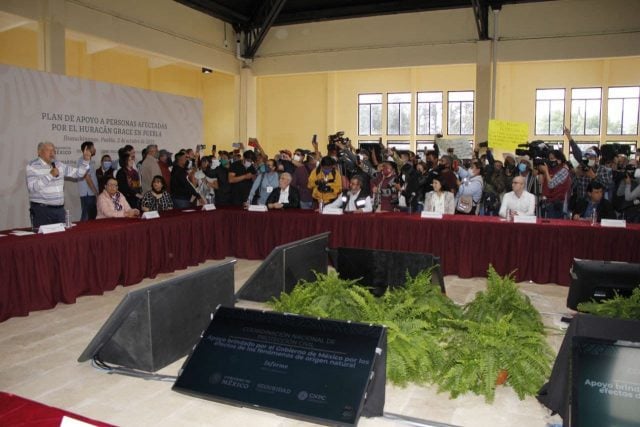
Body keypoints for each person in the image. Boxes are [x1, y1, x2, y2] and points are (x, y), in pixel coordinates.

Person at [26, 141, 93, 228]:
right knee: (44, 240)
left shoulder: (58, 165)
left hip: (59, 210)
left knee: (61, 239)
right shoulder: (32, 166)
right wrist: (50, 175)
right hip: (42, 211)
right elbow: (32, 188)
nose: (52, 153)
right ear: (39, 152)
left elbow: (78, 174)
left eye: (53, 150)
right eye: (48, 150)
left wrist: (86, 161)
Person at [538, 150, 571, 219]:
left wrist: (546, 171)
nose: (550, 161)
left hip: (557, 205)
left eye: (552, 159)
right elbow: (540, 182)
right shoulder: (550, 169)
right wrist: (540, 172)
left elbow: (551, 185)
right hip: (547, 203)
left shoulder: (564, 170)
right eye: (549, 159)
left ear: (559, 160)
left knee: (554, 227)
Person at [77, 141, 99, 221]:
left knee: (91, 216)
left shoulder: (88, 160)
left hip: (89, 193)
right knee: (86, 216)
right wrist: (95, 192)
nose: (95, 149)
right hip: (88, 193)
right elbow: (87, 178)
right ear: (87, 149)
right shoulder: (83, 161)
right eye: (93, 147)